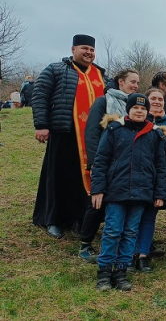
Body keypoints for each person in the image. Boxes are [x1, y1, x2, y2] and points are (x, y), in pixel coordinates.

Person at [32, 34, 106, 239]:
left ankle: (79, 218)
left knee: (83, 177)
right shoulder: (56, 70)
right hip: (64, 132)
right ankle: (53, 219)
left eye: (91, 50)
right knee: (58, 176)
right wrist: (41, 125)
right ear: (73, 49)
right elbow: (40, 96)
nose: (89, 52)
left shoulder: (100, 74)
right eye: (84, 48)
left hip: (92, 137)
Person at [91, 93, 166, 291]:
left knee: (130, 232)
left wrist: (160, 194)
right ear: (128, 110)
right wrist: (97, 189)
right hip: (116, 191)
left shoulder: (155, 134)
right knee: (112, 230)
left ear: (147, 111)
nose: (139, 111)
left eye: (143, 109)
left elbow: (161, 167)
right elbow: (100, 161)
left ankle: (121, 271)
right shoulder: (114, 130)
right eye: (136, 108)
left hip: (142, 193)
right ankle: (104, 272)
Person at [80, 68, 139, 263]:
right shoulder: (104, 102)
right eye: (132, 82)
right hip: (105, 162)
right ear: (120, 82)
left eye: (138, 83)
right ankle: (85, 243)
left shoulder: (134, 104)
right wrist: (96, 162)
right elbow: (92, 133)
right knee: (97, 203)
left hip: (124, 165)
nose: (136, 86)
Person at [133, 88, 166, 272]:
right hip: (136, 177)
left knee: (150, 216)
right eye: (153, 98)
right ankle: (131, 252)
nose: (158, 101)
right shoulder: (136, 122)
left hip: (159, 178)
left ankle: (144, 254)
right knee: (134, 216)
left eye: (160, 99)